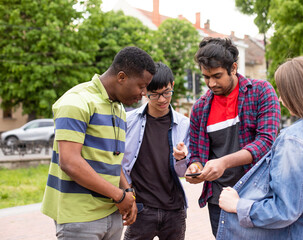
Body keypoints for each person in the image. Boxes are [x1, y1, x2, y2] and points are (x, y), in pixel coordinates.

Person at [217, 56, 303, 240]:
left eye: (283, 91)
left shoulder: (295, 138)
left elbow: (284, 210)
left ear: (298, 94)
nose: (279, 98)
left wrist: (238, 205)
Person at [41, 46, 156, 240]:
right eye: (141, 86)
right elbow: (69, 162)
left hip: (112, 213)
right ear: (121, 77)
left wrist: (128, 191)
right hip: (80, 217)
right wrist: (119, 196)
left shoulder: (118, 108)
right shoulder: (76, 101)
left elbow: (112, 159)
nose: (144, 93)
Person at [184, 37, 281, 237]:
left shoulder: (262, 92)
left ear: (234, 68)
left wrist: (224, 163)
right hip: (218, 200)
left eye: (217, 76)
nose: (211, 83)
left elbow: (266, 142)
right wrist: (195, 168)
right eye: (205, 77)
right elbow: (197, 154)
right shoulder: (200, 108)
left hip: (257, 197)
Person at [122, 62, 190, 240]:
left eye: (166, 92)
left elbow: (184, 174)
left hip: (175, 211)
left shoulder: (184, 124)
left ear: (172, 86)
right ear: (145, 91)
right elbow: (119, 163)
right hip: (142, 209)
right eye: (155, 94)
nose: (162, 99)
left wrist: (181, 159)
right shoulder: (128, 121)